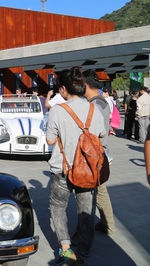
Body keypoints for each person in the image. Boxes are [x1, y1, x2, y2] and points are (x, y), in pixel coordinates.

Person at [45, 67, 105, 265]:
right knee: (86, 213)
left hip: (63, 169)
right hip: (88, 169)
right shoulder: (94, 108)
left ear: (63, 89)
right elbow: (102, 134)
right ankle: (84, 254)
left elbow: (51, 141)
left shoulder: (57, 110)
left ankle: (66, 248)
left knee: (58, 207)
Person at [81, 70, 115, 236]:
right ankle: (106, 224)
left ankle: (108, 226)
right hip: (101, 152)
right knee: (100, 191)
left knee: (97, 192)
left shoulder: (94, 105)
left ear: (85, 85)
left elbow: (95, 132)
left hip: (95, 155)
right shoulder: (103, 102)